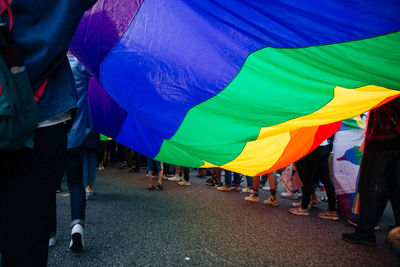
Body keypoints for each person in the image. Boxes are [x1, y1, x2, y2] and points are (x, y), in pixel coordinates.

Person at [0, 1, 98, 265]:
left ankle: (52, 233)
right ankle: (71, 227)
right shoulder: (80, 66)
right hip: (48, 121)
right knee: (31, 228)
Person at [342, 97, 400, 247]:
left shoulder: (384, 87)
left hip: (380, 141)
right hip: (394, 142)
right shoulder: (393, 83)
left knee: (367, 186)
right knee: (395, 187)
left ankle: (365, 232)